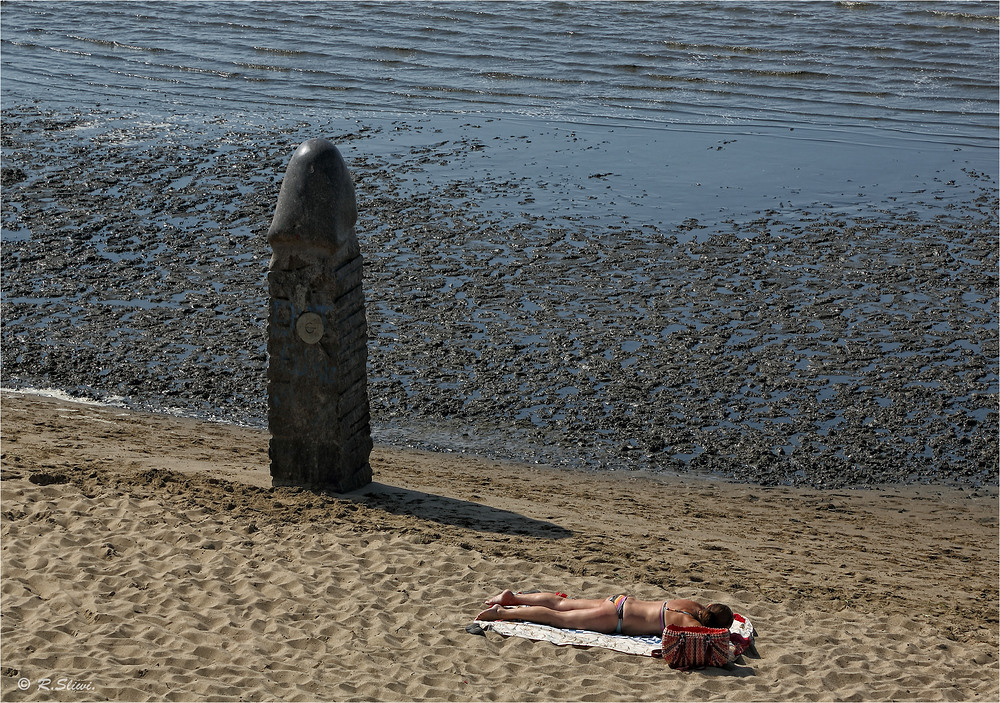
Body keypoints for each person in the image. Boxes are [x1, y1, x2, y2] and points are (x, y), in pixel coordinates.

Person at [476, 589, 733, 637]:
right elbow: (713, 640)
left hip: (620, 600)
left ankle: (513, 598)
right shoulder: (689, 623)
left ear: (709, 607)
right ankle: (504, 612)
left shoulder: (690, 604)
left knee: (562, 604)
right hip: (617, 620)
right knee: (559, 619)